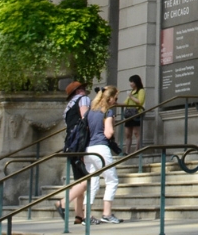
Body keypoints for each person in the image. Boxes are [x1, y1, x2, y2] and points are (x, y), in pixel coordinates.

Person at [85, 87, 122, 224]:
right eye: (115, 98)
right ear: (109, 98)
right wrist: (112, 122)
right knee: (112, 180)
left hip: (88, 149)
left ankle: (86, 216)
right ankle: (107, 214)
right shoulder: (108, 111)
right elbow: (108, 133)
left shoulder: (91, 111)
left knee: (93, 182)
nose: (116, 101)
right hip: (101, 148)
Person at [58, 80, 91, 223]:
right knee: (87, 180)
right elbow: (85, 118)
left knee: (79, 180)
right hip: (80, 144)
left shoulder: (68, 107)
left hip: (70, 144)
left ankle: (79, 215)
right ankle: (63, 202)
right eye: (82, 89)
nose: (85, 90)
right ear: (78, 91)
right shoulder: (83, 99)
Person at [121, 76, 146, 153]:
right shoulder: (131, 92)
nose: (130, 84)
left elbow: (140, 102)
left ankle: (137, 150)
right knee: (128, 134)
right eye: (130, 82)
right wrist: (116, 103)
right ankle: (127, 151)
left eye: (132, 82)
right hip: (129, 114)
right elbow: (125, 103)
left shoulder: (141, 91)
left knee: (136, 132)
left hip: (136, 113)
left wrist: (131, 97)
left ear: (136, 82)